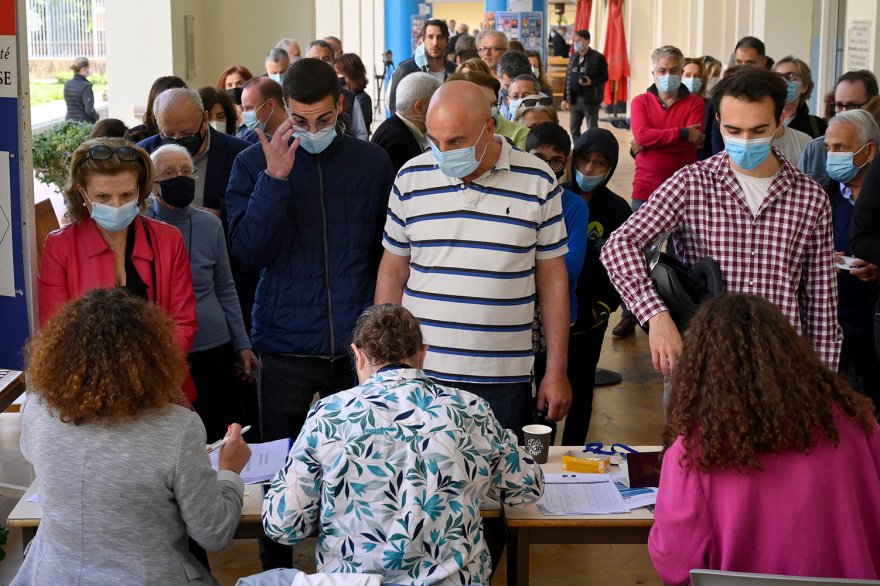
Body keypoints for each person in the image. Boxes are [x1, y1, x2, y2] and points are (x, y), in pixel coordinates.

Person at [225, 57, 395, 570]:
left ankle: (352, 569)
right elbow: (249, 251)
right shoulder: (253, 164)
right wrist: (275, 179)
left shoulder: (370, 162)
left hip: (357, 345)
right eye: (300, 121)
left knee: (360, 467)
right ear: (281, 113)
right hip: (284, 340)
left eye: (323, 119)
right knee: (280, 470)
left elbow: (388, 250)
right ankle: (276, 569)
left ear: (341, 106)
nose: (313, 131)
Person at [262, 304, 544, 585]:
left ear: (358, 355)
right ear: (423, 354)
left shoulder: (328, 415)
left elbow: (282, 525)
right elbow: (526, 489)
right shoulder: (470, 409)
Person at [601, 67, 842, 383]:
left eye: (758, 131)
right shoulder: (692, 184)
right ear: (718, 122)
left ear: (780, 119)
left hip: (780, 372)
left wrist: (823, 387)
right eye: (733, 130)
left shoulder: (810, 198)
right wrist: (655, 316)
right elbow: (620, 245)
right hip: (702, 368)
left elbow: (821, 305)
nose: (744, 141)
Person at [14, 288, 251, 586]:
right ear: (152, 357)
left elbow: (41, 454)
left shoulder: (35, 409)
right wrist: (229, 471)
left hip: (50, 576)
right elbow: (214, 534)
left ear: (57, 352)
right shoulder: (178, 427)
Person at [375, 80, 572, 434]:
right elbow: (392, 272)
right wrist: (384, 365)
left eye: (456, 142)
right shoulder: (411, 178)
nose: (444, 153)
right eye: (435, 141)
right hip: (421, 376)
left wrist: (556, 370)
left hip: (503, 380)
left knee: (500, 484)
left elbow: (553, 280)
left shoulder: (537, 180)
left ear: (489, 127)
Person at [649, 293, 880, 584]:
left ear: (700, 369)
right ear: (790, 351)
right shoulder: (856, 420)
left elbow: (674, 566)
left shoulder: (695, 452)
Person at [37, 137, 198, 403]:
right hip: (89, 396)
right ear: (82, 192)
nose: (116, 206)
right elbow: (57, 333)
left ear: (141, 190)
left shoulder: (169, 240)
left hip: (160, 391)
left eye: (126, 195)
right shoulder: (60, 245)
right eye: (102, 196)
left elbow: (183, 324)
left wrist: (144, 378)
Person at [145, 144, 258, 440]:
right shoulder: (140, 227)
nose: (178, 177)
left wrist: (242, 343)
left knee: (220, 430)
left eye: (185, 171)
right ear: (151, 185)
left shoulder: (211, 224)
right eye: (168, 173)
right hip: (165, 348)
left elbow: (225, 287)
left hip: (213, 344)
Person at [613, 45, 704, 339]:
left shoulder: (695, 102)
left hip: (687, 192)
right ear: (653, 73)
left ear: (681, 71)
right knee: (638, 253)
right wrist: (681, 133)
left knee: (684, 256)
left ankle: (684, 313)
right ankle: (631, 313)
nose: (668, 76)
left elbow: (693, 143)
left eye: (674, 70)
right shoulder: (640, 101)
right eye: (662, 71)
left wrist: (655, 140)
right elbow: (641, 136)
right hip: (647, 188)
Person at [560, 128, 632, 446]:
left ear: (611, 167)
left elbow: (625, 267)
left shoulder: (618, 210)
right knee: (538, 390)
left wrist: (605, 307)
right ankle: (534, 460)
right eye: (584, 159)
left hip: (591, 315)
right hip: (550, 312)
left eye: (600, 163)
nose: (589, 170)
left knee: (582, 384)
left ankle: (570, 454)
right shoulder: (554, 198)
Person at [814, 110, 880, 407]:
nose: (832, 156)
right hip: (830, 325)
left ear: (869, 150)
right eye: (828, 148)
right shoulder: (818, 196)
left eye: (840, 147)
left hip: (872, 326)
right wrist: (824, 259)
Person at [525, 123, 588, 430]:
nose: (546, 167)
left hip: (556, 319)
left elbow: (571, 266)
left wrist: (524, 261)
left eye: (555, 160)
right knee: (518, 402)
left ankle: (541, 472)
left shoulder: (573, 206)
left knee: (544, 410)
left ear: (566, 162)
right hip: (516, 321)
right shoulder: (514, 199)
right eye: (537, 157)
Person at [137, 88, 252, 219]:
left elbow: (253, 207)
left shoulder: (241, 153)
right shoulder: (142, 155)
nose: (178, 140)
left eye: (187, 134)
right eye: (169, 134)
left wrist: (217, 215)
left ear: (205, 119)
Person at [799, 70, 879, 181]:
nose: (844, 112)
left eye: (853, 105)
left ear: (872, 104)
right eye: (839, 105)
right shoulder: (815, 149)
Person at [370, 72, 441, 173]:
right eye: (437, 104)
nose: (441, 111)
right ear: (419, 107)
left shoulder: (396, 129)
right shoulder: (398, 141)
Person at [387, 19, 457, 115]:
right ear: (423, 40)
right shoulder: (405, 70)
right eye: (430, 37)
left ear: (447, 40)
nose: (435, 43)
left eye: (440, 37)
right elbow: (394, 108)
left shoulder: (456, 72)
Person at [446, 70, 530, 149]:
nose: (492, 110)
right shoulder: (442, 136)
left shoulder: (520, 134)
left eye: (494, 104)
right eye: (484, 105)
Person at [307, 40, 369, 141]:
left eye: (326, 58)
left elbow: (360, 133)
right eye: (315, 58)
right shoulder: (296, 96)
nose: (321, 62)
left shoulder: (349, 97)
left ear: (333, 61)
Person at [560, 30, 609, 142]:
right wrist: (565, 98)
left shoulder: (598, 57)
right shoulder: (573, 58)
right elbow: (568, 79)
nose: (575, 43)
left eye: (578, 40)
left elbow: (604, 77)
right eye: (575, 40)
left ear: (587, 41)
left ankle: (592, 151)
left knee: (592, 130)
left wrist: (591, 82)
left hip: (590, 100)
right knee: (573, 129)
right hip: (574, 100)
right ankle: (578, 151)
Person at [773, 56, 827, 139]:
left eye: (790, 76)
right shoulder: (761, 121)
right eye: (778, 77)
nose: (783, 81)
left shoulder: (818, 126)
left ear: (805, 86)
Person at [124, 75, 187, 143]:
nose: (170, 111)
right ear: (153, 105)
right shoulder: (135, 135)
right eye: (164, 105)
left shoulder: (192, 134)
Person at [334, 52, 373, 134]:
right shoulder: (336, 95)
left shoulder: (362, 98)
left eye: (338, 73)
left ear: (351, 74)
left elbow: (359, 131)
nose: (336, 77)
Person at [497, 51, 538, 120]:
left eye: (525, 95)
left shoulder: (543, 105)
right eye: (508, 86)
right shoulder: (491, 100)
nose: (512, 92)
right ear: (498, 78)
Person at [216, 65, 254, 137]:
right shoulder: (222, 115)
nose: (234, 88)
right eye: (229, 85)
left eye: (240, 84)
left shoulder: (256, 115)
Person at [64, 57, 99, 123]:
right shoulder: (86, 86)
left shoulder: (67, 84)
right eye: (88, 68)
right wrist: (97, 116)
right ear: (83, 69)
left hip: (69, 122)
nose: (89, 70)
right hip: (83, 124)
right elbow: (89, 110)